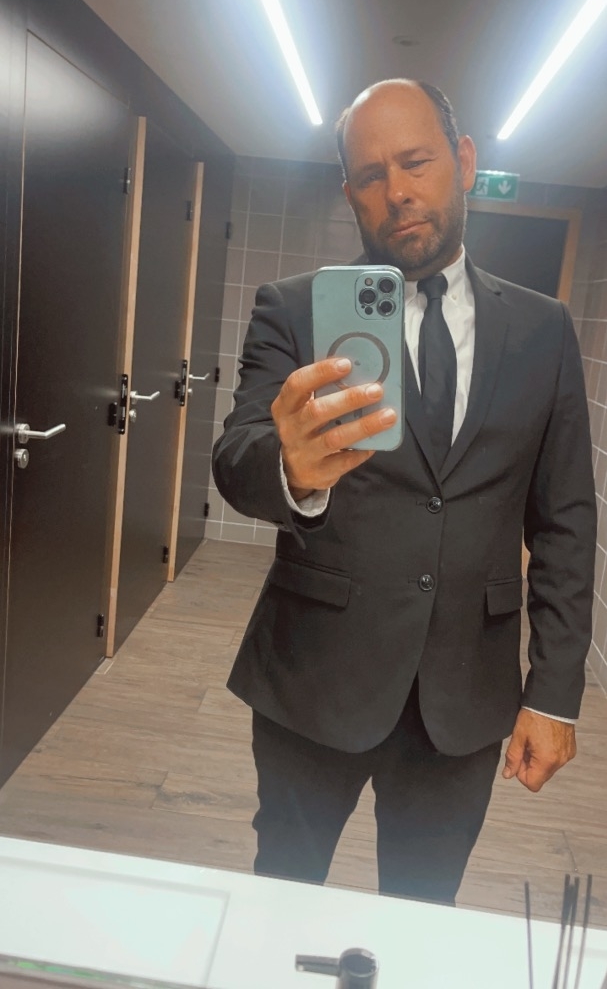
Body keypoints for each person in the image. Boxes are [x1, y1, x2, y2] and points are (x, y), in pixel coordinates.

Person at [212, 79, 596, 904]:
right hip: (315, 678)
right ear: (348, 191)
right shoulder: (294, 311)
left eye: (416, 162)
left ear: (463, 161)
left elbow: (564, 520)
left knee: (425, 910)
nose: (396, 191)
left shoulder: (543, 330)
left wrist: (554, 694)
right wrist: (290, 469)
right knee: (282, 897)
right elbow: (236, 456)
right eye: (369, 174)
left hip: (466, 691)